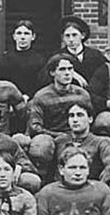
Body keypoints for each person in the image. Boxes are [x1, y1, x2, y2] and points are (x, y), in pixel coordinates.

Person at [26, 53, 92, 181]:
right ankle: (43, 180)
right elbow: (34, 127)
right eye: (62, 69)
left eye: (70, 69)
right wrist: (57, 136)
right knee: (41, 146)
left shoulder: (82, 94)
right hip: (51, 136)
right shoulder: (42, 96)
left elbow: (88, 120)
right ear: (52, 72)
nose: (67, 73)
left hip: (76, 135)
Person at [54, 102, 110, 184]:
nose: (75, 120)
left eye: (80, 115)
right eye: (71, 116)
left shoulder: (100, 143)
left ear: (90, 119)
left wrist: (99, 184)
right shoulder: (59, 141)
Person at [41, 15, 107, 87]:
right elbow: (45, 77)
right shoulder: (57, 56)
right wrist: (73, 74)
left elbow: (106, 75)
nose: (71, 39)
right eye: (67, 36)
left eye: (74, 35)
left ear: (82, 35)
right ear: (63, 37)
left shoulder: (95, 55)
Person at [0, 19, 46, 98]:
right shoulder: (3, 59)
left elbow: (41, 84)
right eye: (19, 33)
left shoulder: (40, 60)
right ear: (14, 36)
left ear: (33, 37)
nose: (22, 37)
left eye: (26, 34)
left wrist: (29, 96)